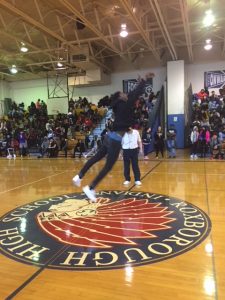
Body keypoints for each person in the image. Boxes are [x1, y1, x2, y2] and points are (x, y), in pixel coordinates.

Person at [72, 72, 154, 201]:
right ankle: (91, 188)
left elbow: (132, 93)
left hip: (108, 137)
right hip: (115, 140)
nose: (126, 94)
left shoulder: (119, 106)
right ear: (120, 98)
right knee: (108, 166)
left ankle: (79, 176)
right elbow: (136, 93)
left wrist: (140, 82)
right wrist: (144, 80)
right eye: (123, 94)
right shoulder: (125, 104)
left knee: (96, 157)